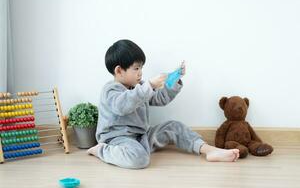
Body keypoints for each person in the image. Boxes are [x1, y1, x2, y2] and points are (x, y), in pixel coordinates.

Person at [87, 39, 239, 169]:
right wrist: (149, 85)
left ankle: (209, 150)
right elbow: (123, 105)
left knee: (174, 127)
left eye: (141, 68)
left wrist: (173, 81)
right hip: (117, 139)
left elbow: (159, 99)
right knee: (140, 159)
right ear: (119, 71)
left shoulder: (139, 86)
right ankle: (102, 150)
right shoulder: (111, 90)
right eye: (136, 68)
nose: (140, 73)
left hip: (141, 136)